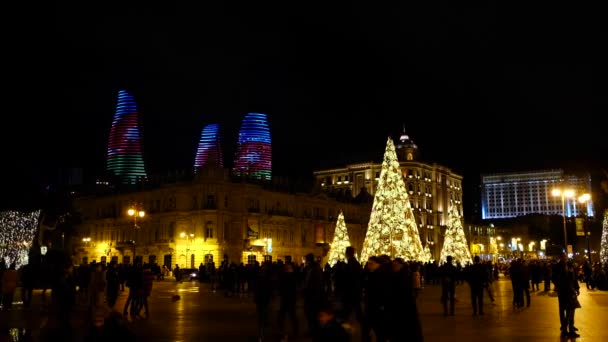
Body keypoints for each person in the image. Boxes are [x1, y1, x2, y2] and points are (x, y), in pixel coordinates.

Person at [553, 253, 580, 338]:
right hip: (563, 291)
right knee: (562, 310)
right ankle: (564, 328)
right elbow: (553, 278)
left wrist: (577, 288)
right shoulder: (557, 267)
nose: (565, 258)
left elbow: (574, 278)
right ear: (560, 258)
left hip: (571, 291)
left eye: (566, 257)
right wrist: (558, 285)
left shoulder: (570, 265)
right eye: (563, 257)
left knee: (571, 310)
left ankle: (571, 328)